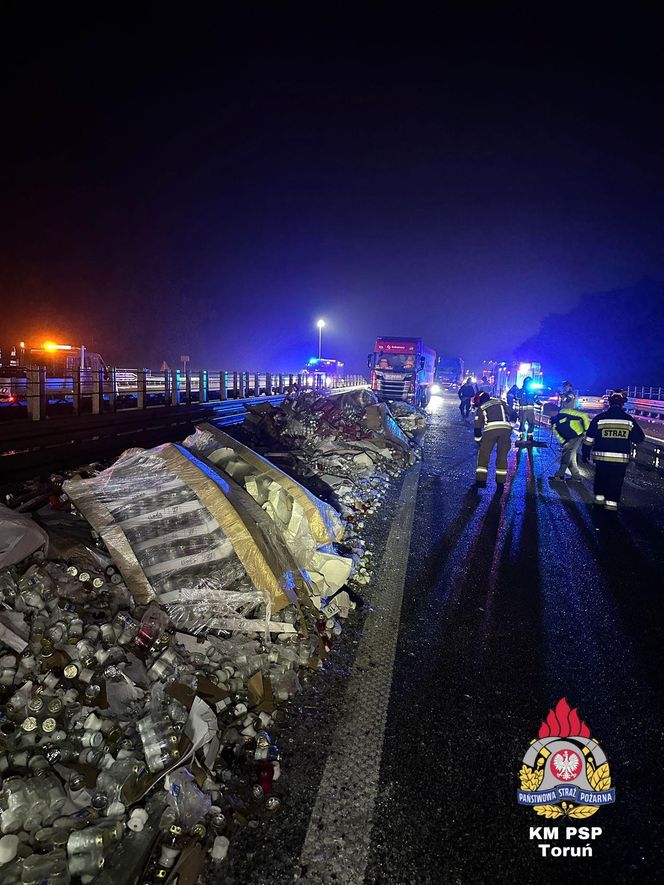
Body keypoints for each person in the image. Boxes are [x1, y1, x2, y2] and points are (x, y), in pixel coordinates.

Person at [582, 389, 645, 511]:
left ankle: (598, 505)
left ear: (609, 403)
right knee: (615, 483)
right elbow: (639, 438)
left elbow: (589, 438)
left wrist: (585, 453)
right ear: (623, 404)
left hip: (601, 459)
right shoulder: (628, 420)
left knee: (600, 480)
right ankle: (611, 508)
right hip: (620, 461)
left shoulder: (599, 418)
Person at [473, 390, 517, 488]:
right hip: (505, 431)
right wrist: (511, 426)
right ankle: (501, 483)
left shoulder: (481, 408)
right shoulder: (500, 402)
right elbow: (514, 414)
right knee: (502, 456)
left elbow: (477, 428)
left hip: (490, 431)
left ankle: (481, 481)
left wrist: (479, 441)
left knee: (483, 456)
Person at [550, 403, 590, 481]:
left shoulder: (566, 412)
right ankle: (576, 476)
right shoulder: (554, 421)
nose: (550, 415)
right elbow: (558, 434)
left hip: (577, 435)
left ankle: (559, 475)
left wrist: (586, 429)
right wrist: (564, 443)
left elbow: (584, 415)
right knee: (571, 457)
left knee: (566, 456)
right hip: (568, 439)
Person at [517, 376, 541, 441]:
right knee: (522, 424)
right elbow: (517, 397)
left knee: (531, 424)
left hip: (530, 411)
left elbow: (536, 399)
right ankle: (522, 436)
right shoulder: (520, 391)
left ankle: (529, 437)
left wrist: (540, 403)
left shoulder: (532, 391)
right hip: (523, 411)